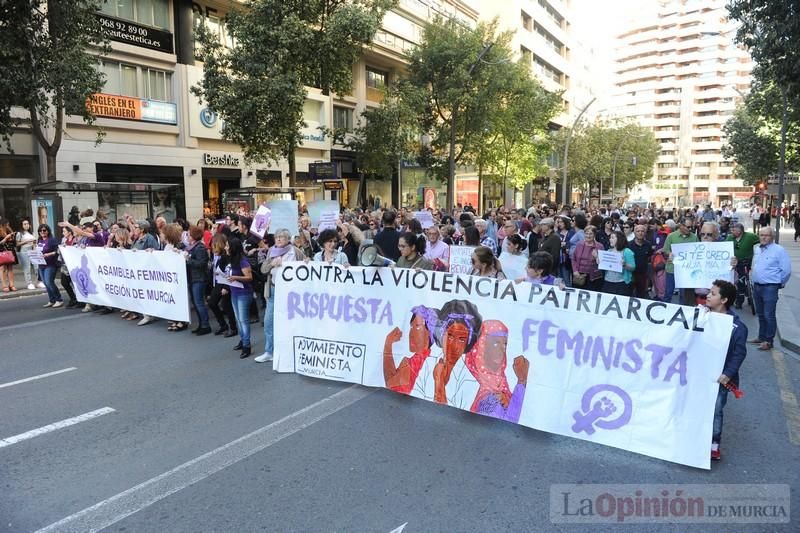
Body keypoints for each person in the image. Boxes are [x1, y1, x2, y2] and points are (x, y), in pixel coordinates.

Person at [706, 279, 747, 461]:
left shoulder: (738, 328)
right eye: (709, 292)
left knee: (715, 410)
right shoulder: (701, 317)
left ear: (724, 300)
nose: (708, 295)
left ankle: (714, 444)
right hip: (698, 374)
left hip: (719, 378)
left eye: (713, 294)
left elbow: (738, 354)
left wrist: (727, 374)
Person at [255, 229, 305, 363]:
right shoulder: (271, 251)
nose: (278, 239)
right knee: (269, 322)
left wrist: (307, 261)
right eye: (277, 237)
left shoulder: (295, 251)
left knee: (290, 321)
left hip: (290, 293)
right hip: (273, 290)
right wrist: (272, 264)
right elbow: (263, 270)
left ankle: (290, 350)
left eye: (282, 237)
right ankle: (269, 351)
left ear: (288, 239)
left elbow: (305, 266)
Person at [464, 320, 528, 423]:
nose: (501, 349)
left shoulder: (501, 385)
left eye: (505, 344)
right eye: (495, 343)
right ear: (482, 346)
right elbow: (505, 427)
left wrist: (522, 382)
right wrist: (521, 381)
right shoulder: (487, 396)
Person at [430, 300, 483, 408]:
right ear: (441, 334)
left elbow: (452, 417)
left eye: (462, 340)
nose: (454, 346)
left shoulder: (470, 380)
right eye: (450, 336)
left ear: (469, 341)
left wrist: (439, 383)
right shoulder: (426, 365)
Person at [750, 226, 792, 350]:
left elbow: (786, 270)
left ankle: (768, 341)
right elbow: (755, 264)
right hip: (757, 286)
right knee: (760, 314)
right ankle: (761, 337)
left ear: (772, 237)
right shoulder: (756, 248)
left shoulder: (779, 250)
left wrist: (779, 283)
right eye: (761, 235)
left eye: (766, 235)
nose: (763, 237)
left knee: (769, 315)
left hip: (770, 287)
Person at [382, 305, 439, 394]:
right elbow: (392, 382)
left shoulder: (418, 361)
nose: (411, 333)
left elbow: (392, 386)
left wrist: (388, 344)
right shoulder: (416, 359)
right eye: (411, 327)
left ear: (430, 333)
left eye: (417, 326)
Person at [225, 238, 254, 358]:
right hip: (234, 291)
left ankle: (247, 345)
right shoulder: (231, 259)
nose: (225, 247)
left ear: (233, 247)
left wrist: (236, 277)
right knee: (239, 319)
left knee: (243, 320)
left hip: (243, 293)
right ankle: (243, 340)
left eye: (227, 246)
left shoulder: (242, 261)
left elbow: (249, 277)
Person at [662, 216, 699, 305]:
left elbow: (698, 252)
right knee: (668, 292)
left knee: (684, 295)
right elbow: (665, 250)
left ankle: (682, 314)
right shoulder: (671, 236)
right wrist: (669, 254)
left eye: (691, 227)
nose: (690, 229)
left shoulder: (694, 238)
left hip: (686, 270)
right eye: (688, 227)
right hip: (672, 269)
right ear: (681, 226)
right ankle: (664, 312)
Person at [207, 233, 237, 337]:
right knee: (212, 303)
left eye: (215, 247)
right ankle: (223, 325)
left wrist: (226, 287)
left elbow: (229, 271)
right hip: (218, 282)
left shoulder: (226, 257)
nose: (213, 249)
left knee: (226, 306)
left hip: (225, 283)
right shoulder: (216, 256)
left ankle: (233, 328)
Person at [184, 225, 212, 336]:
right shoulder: (192, 247)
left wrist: (188, 259)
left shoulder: (200, 248)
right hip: (193, 278)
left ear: (194, 236)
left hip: (199, 279)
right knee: (196, 302)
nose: (188, 237)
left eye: (189, 235)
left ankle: (205, 325)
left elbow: (201, 264)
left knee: (199, 302)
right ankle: (201, 324)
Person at [571, 225, 604, 292]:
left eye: (591, 234)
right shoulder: (579, 244)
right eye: (586, 233)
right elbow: (573, 258)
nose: (588, 236)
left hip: (593, 278)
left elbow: (602, 264)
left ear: (594, 235)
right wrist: (575, 270)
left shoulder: (600, 246)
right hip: (579, 275)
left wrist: (596, 256)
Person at [36, 224, 63, 307]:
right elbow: (38, 251)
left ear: (48, 231)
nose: (42, 232)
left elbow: (57, 251)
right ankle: (52, 300)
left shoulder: (52, 240)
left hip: (50, 264)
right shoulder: (39, 240)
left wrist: (48, 254)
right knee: (45, 283)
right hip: (41, 264)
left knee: (49, 282)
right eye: (40, 231)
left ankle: (59, 299)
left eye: (44, 230)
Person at [601, 230, 635, 295]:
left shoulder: (627, 251)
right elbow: (604, 266)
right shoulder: (609, 251)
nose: (610, 239)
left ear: (619, 239)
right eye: (610, 238)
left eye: (612, 238)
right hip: (608, 281)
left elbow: (633, 268)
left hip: (621, 283)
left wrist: (625, 265)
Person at [628, 224, 653, 299]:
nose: (640, 233)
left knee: (641, 296)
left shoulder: (648, 245)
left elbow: (649, 257)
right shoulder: (629, 245)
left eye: (642, 231)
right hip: (631, 274)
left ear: (645, 233)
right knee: (629, 295)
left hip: (642, 275)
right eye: (638, 231)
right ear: (634, 233)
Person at [15, 218, 39, 290]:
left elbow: (34, 242)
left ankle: (38, 281)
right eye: (24, 224)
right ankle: (29, 283)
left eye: (27, 224)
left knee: (36, 267)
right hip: (24, 251)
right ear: (22, 225)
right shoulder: (20, 233)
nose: (26, 225)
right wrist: (27, 241)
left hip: (33, 250)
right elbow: (17, 244)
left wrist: (34, 243)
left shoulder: (31, 233)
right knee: (27, 268)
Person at [0, 218, 18, 292]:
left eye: (8, 224)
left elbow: (14, 243)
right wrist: (6, 238)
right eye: (6, 225)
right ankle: (4, 285)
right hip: (1, 251)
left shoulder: (9, 230)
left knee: (10, 268)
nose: (7, 226)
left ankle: (11, 285)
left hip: (10, 251)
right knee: (2, 268)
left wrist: (12, 237)